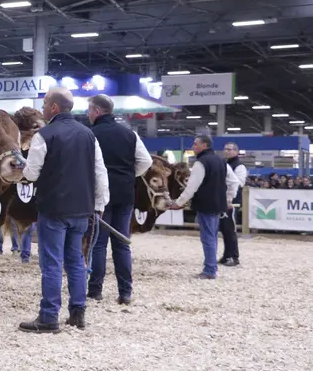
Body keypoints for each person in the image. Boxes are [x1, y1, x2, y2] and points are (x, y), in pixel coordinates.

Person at [18, 87, 109, 333]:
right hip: (82, 210)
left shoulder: (44, 135)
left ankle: (48, 317)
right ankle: (77, 313)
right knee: (76, 261)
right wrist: (99, 205)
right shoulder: (89, 135)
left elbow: (32, 173)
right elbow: (100, 172)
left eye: (45, 103)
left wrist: (22, 167)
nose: (43, 107)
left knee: (51, 263)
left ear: (54, 108)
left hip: (53, 209)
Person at [86, 94, 152, 305]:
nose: (88, 114)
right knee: (122, 243)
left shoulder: (90, 134)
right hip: (125, 194)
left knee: (98, 244)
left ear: (97, 111)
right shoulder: (130, 135)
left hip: (99, 195)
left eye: (89, 110)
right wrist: (128, 174)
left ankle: (95, 290)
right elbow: (145, 162)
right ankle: (125, 292)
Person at [168, 135, 239, 279]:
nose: (193, 147)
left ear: (204, 146)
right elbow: (234, 182)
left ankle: (210, 270)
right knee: (212, 236)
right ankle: (211, 267)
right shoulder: (221, 161)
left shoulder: (201, 163)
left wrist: (178, 203)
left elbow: (191, 188)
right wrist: (228, 199)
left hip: (205, 205)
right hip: (218, 205)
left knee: (208, 238)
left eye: (196, 144)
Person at [219, 142, 247, 267]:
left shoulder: (239, 166)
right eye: (225, 149)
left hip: (233, 201)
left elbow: (239, 183)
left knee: (231, 230)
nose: (226, 151)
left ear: (236, 151)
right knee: (225, 229)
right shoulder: (224, 164)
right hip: (223, 200)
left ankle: (234, 257)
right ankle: (226, 256)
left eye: (229, 149)